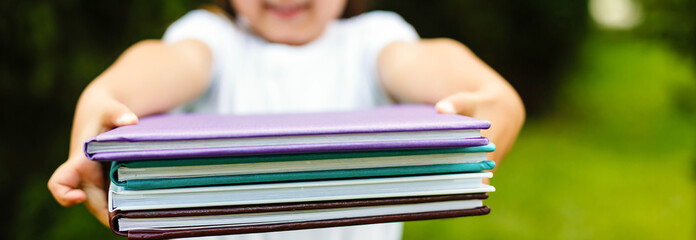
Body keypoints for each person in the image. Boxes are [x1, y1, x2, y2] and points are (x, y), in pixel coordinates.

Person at [47, 0, 525, 239]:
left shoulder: (371, 41)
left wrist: (494, 95)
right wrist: (103, 97)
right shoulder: (212, 39)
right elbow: (162, 64)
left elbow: (425, 60)